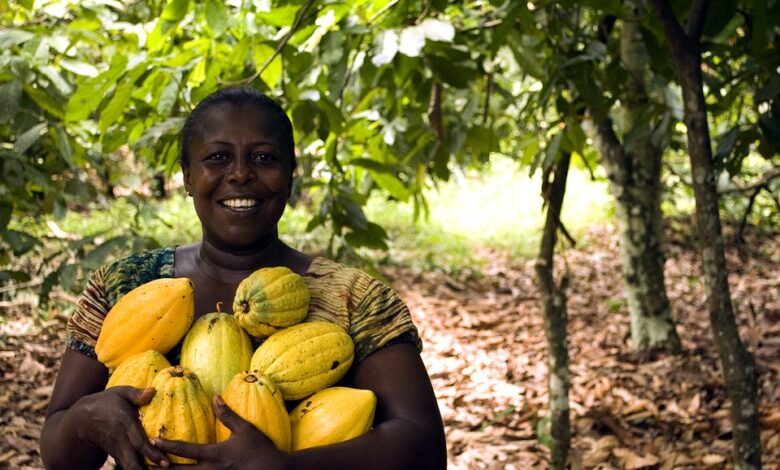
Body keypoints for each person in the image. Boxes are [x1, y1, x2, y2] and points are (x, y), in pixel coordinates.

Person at [39, 86, 447, 470]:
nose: (239, 175)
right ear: (186, 176)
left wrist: (286, 467)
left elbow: (424, 446)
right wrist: (83, 420)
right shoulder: (123, 285)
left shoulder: (356, 299)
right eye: (217, 157)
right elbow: (57, 446)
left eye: (264, 158)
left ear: (290, 175)